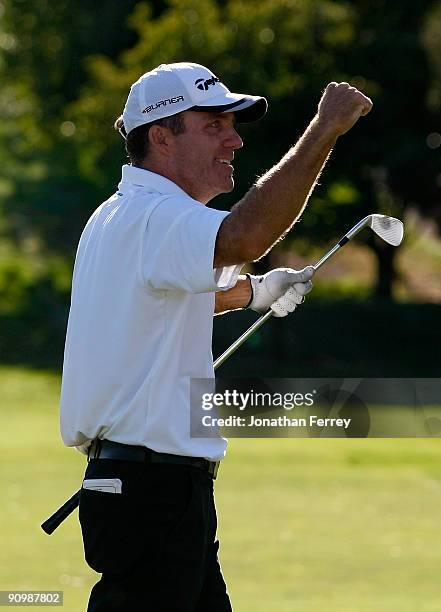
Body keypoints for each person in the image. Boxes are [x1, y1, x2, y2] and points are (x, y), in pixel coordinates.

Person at [59, 62, 372, 611]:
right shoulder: (155, 214)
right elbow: (244, 237)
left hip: (151, 489)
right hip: (150, 490)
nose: (235, 138)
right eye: (214, 126)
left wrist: (254, 294)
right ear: (161, 137)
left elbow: (171, 299)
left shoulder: (123, 214)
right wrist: (324, 131)